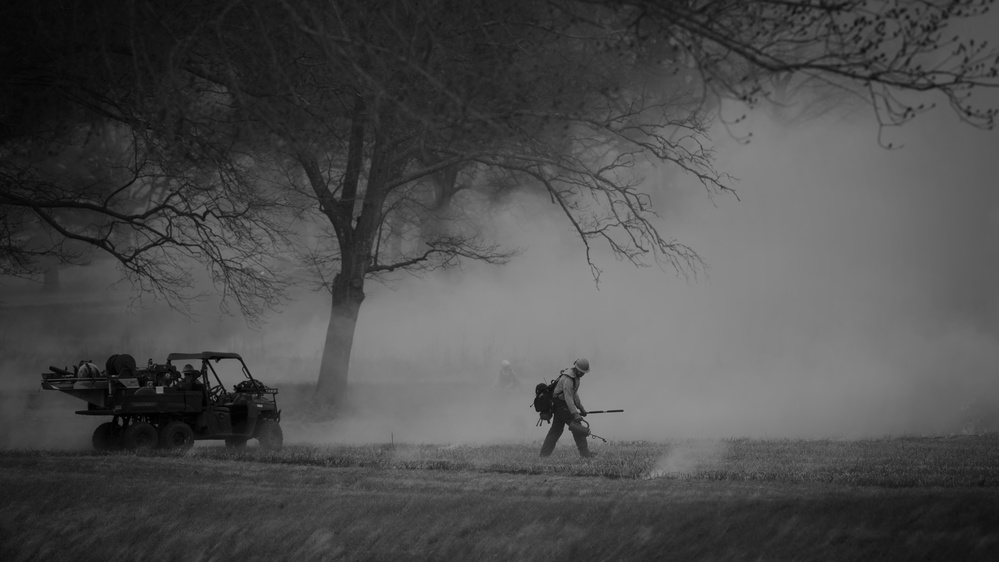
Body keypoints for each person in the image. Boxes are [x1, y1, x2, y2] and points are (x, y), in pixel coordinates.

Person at [539, 358, 592, 458]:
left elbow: (574, 395)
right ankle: (585, 454)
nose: (583, 374)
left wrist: (581, 408)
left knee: (556, 430)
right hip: (561, 405)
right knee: (578, 427)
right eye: (582, 372)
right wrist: (575, 414)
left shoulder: (575, 377)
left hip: (561, 405)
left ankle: (543, 455)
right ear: (577, 369)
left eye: (584, 372)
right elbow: (568, 398)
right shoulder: (568, 379)